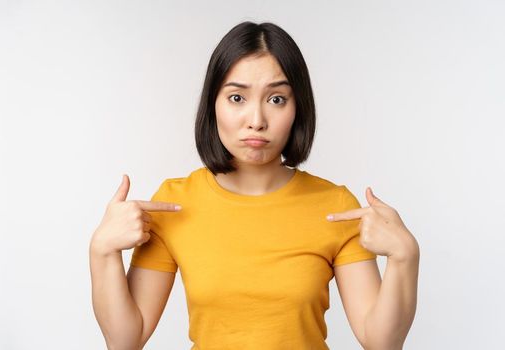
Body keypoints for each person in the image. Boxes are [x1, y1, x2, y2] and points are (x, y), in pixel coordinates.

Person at [88, 21, 420, 349]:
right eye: (237, 98)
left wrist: (405, 256)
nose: (257, 120)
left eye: (276, 99)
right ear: (213, 105)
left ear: (297, 108)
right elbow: (125, 340)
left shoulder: (335, 206)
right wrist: (102, 251)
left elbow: (380, 343)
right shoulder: (175, 203)